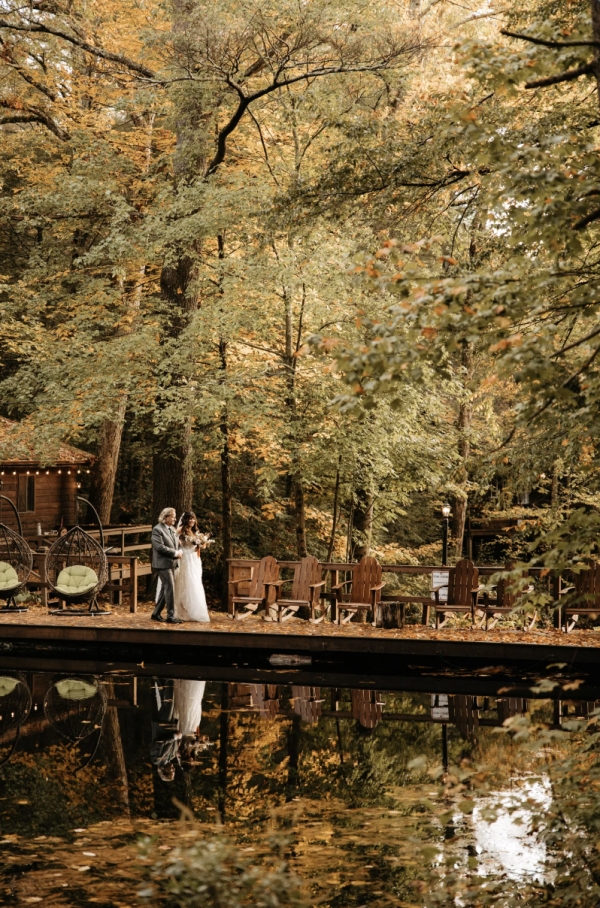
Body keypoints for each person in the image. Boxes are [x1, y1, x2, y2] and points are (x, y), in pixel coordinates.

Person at [174, 511, 211, 623]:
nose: (191, 521)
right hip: (186, 558)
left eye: (193, 519)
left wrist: (203, 543)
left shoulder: (195, 531)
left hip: (195, 559)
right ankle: (184, 611)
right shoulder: (181, 529)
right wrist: (178, 544)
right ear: (185, 519)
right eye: (189, 518)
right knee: (187, 582)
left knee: (196, 582)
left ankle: (195, 610)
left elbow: (202, 546)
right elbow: (174, 538)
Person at [151, 507, 183, 625]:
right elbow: (159, 547)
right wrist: (175, 553)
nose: (175, 519)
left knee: (165, 588)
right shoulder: (157, 529)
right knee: (170, 588)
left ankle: (156, 613)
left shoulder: (172, 529)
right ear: (166, 517)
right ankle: (171, 616)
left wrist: (180, 550)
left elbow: (177, 543)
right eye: (173, 516)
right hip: (162, 564)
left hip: (172, 563)